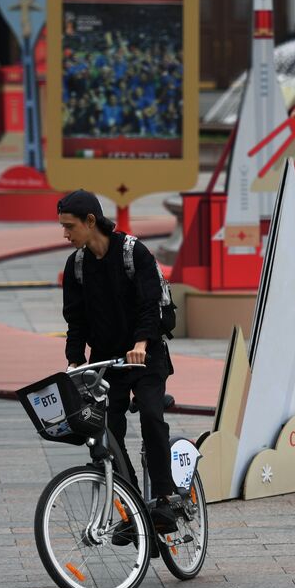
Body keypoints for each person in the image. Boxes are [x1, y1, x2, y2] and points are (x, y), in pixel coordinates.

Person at [57, 189, 178, 533]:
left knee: (152, 416)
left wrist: (140, 343)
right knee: (107, 433)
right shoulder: (77, 265)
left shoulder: (132, 252)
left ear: (90, 221)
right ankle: (135, 507)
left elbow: (149, 304)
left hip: (146, 355)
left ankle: (167, 500)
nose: (65, 234)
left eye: (69, 226)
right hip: (107, 362)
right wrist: (74, 362)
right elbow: (75, 321)